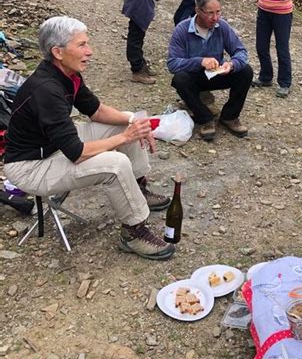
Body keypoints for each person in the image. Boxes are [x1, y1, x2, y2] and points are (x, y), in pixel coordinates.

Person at [4, 16, 174, 261]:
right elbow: (77, 152)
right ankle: (133, 231)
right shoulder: (46, 89)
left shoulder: (67, 74)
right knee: (116, 164)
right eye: (82, 45)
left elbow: (96, 110)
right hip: (31, 166)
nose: (90, 51)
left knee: (125, 123)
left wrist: (131, 122)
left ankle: (138, 187)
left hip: (54, 146)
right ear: (58, 52)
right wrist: (126, 136)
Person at [167, 0, 253, 141]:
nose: (215, 18)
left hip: (217, 75)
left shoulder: (222, 26)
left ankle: (229, 117)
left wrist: (232, 64)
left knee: (245, 71)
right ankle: (205, 118)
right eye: (210, 13)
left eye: (218, 12)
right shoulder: (182, 29)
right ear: (198, 11)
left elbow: (240, 51)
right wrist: (199, 61)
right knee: (179, 79)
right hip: (194, 78)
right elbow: (172, 64)